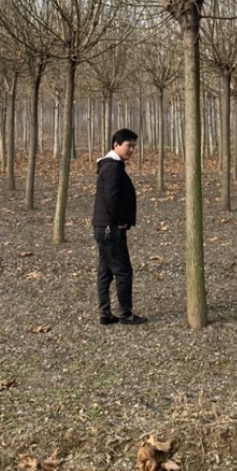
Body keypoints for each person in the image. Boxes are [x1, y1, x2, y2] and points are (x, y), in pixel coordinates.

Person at [92, 128, 147, 326]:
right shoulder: (113, 167)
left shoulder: (110, 166)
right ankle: (126, 314)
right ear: (116, 145)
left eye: (133, 146)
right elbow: (111, 199)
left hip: (103, 227)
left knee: (105, 271)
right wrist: (120, 221)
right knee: (123, 271)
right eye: (128, 146)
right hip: (111, 228)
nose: (131, 150)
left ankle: (105, 314)